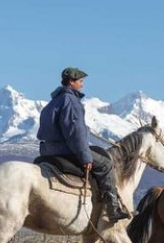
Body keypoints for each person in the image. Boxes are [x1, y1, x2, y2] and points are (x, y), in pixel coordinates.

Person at [37, 67, 131, 223]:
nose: (82, 85)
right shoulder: (71, 101)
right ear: (71, 82)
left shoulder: (53, 102)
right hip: (64, 149)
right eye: (80, 81)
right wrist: (85, 157)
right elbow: (75, 133)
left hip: (48, 150)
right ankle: (113, 209)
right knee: (106, 164)